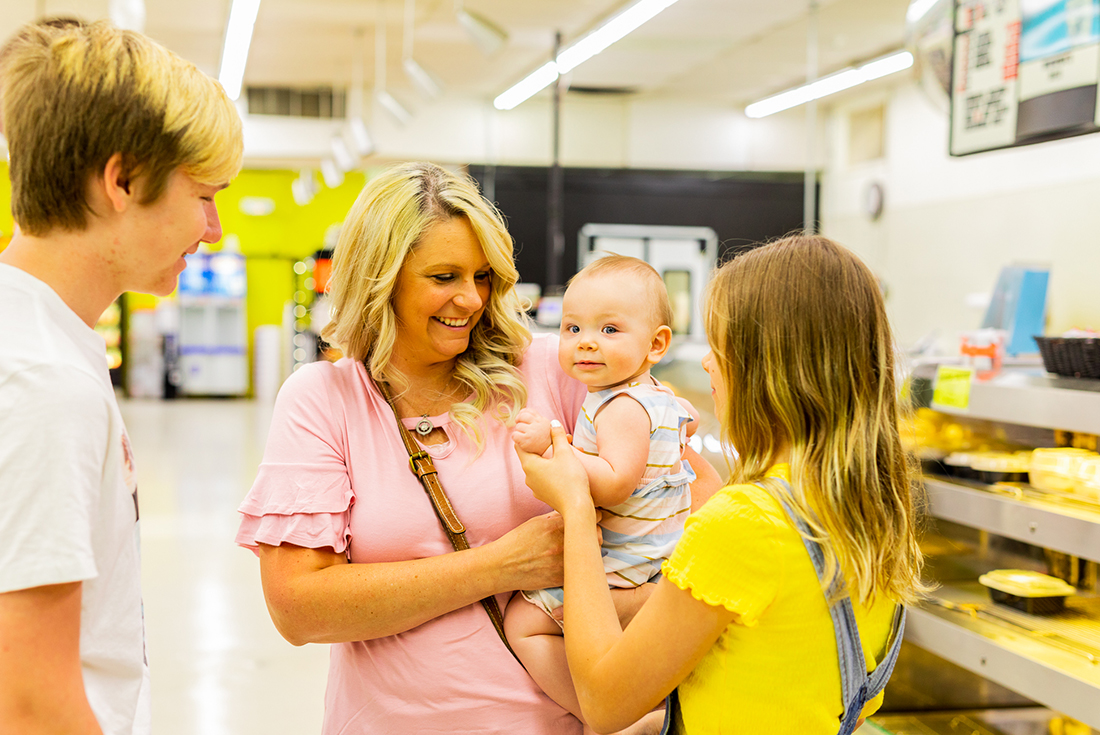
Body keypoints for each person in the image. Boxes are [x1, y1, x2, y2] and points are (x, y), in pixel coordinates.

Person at [235, 161, 721, 735]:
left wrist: (619, 614)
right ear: (380, 279)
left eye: (483, 275)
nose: (469, 299)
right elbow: (298, 607)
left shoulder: (557, 369)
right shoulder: (324, 399)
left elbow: (701, 518)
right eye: (443, 277)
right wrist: (500, 566)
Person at [516, 234, 929, 734]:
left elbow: (604, 705)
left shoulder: (741, 523)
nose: (708, 363)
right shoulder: (874, 509)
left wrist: (575, 505)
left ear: (771, 365)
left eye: (721, 345)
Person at [0, 18, 242, 735]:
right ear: (123, 180)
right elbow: (30, 704)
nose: (215, 227)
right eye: (203, 194)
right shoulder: (43, 381)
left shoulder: (41, 341)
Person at [507, 255, 697, 725]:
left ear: (656, 344)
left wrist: (555, 450)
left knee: (525, 624)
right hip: (654, 551)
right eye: (572, 329)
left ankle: (618, 717)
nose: (586, 342)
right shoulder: (651, 395)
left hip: (630, 560)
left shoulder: (623, 406)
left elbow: (613, 482)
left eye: (609, 330)